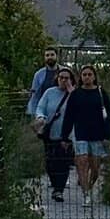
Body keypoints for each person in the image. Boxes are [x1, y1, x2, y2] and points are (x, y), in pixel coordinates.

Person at [60, 64, 110, 207]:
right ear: (80, 77)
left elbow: (109, 115)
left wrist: (107, 135)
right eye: (84, 75)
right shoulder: (76, 94)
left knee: (95, 167)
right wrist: (64, 137)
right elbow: (68, 117)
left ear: (94, 76)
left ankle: (89, 186)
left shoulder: (101, 93)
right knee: (82, 161)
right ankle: (86, 194)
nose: (87, 77)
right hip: (80, 133)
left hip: (97, 134)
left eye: (90, 74)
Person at [33, 67, 75, 202]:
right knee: (50, 161)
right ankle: (54, 181)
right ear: (57, 78)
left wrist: (71, 93)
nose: (63, 80)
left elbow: (79, 109)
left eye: (66, 78)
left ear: (71, 80)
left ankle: (59, 190)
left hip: (66, 134)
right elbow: (41, 107)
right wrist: (40, 117)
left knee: (63, 162)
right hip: (50, 132)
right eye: (61, 77)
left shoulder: (74, 94)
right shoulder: (49, 93)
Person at [26, 48, 61, 118]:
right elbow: (35, 95)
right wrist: (34, 112)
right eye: (47, 55)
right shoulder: (38, 74)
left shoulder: (64, 72)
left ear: (56, 56)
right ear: (44, 58)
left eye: (52, 55)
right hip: (43, 112)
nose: (50, 57)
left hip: (60, 110)